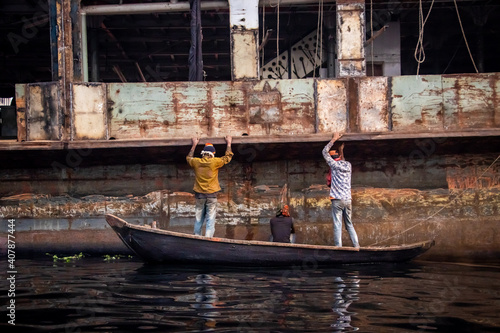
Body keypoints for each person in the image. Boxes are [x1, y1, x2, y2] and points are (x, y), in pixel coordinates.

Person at [187, 136, 233, 237]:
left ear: (203, 153)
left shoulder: (196, 162)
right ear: (212, 154)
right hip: (211, 196)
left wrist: (194, 144)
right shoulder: (215, 162)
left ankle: (197, 238)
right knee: (210, 220)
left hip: (199, 196)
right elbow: (227, 157)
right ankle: (208, 240)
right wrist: (229, 143)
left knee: (198, 219)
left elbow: (188, 158)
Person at [322, 133, 360, 248]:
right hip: (348, 199)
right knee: (349, 224)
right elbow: (342, 159)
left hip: (337, 200)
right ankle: (357, 245)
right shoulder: (348, 165)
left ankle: (339, 247)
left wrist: (333, 139)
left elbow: (324, 152)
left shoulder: (333, 165)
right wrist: (341, 150)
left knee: (337, 224)